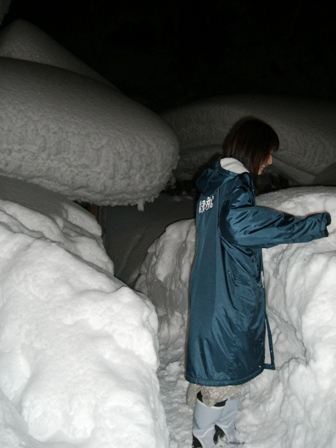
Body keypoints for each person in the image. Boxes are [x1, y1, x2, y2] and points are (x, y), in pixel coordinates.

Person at [186, 117, 331, 448]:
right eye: (268, 153)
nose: (269, 161)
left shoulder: (214, 188)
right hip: (228, 296)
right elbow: (240, 227)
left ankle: (224, 427)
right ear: (255, 150)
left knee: (232, 369)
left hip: (217, 291)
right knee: (221, 377)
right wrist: (308, 227)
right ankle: (202, 435)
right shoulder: (235, 185)